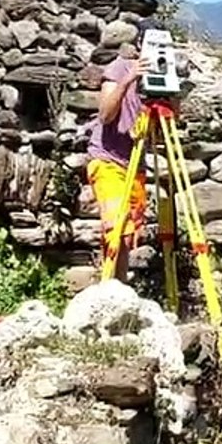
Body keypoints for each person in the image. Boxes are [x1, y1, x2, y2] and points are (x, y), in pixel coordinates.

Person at [87, 41, 151, 282]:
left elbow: (170, 123)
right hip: (108, 160)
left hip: (135, 163)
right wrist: (129, 79)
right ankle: (108, 291)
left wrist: (172, 93)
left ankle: (120, 289)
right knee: (117, 228)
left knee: (129, 235)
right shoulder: (120, 68)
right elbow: (105, 115)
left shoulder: (162, 74)